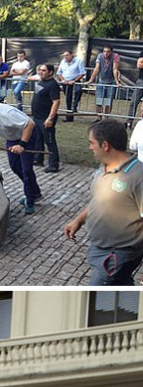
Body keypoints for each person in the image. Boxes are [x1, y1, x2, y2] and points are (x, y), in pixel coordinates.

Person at [63, 119, 143, 286]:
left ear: (105, 145)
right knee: (121, 284)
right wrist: (78, 220)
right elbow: (99, 200)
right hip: (101, 251)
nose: (90, 147)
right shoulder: (103, 169)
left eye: (92, 143)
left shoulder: (138, 176)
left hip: (117, 256)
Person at [29, 63, 62, 173]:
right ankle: (38, 159)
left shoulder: (53, 85)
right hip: (37, 117)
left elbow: (56, 102)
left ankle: (54, 164)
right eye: (40, 70)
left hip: (45, 118)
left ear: (50, 72)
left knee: (50, 141)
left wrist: (50, 118)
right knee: (38, 139)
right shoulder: (41, 81)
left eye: (43, 70)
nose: (40, 72)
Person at [88, 46, 121, 117]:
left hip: (111, 82)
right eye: (104, 51)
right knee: (99, 101)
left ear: (111, 52)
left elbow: (115, 69)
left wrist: (117, 82)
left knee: (108, 102)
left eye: (108, 51)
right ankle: (99, 118)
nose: (105, 53)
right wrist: (91, 80)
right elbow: (96, 68)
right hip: (101, 82)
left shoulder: (115, 56)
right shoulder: (100, 56)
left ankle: (106, 118)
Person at [56, 50, 87, 120]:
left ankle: (74, 106)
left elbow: (82, 72)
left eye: (67, 55)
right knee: (68, 99)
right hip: (65, 83)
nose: (65, 57)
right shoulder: (63, 62)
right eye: (64, 56)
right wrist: (62, 79)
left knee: (78, 92)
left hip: (75, 82)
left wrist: (74, 80)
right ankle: (69, 117)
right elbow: (59, 72)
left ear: (71, 55)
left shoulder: (78, 61)